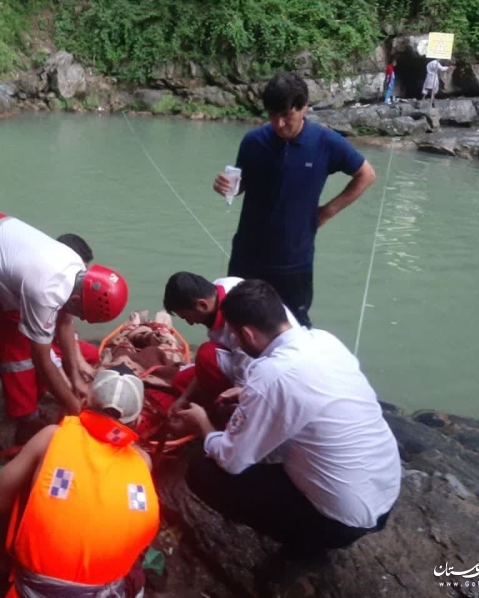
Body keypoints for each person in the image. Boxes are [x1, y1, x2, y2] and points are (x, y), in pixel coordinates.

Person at [175, 280, 401, 556]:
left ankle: (308, 542)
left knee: (202, 471)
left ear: (247, 333)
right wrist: (248, 393)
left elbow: (231, 461)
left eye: (235, 335)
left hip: (341, 520)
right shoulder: (324, 340)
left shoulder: (269, 376)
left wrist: (202, 424)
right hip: (386, 491)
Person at [0, 213, 129, 482]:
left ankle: (26, 419)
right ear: (77, 296)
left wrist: (75, 375)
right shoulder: (47, 288)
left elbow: (64, 321)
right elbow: (43, 361)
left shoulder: (77, 271)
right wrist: (77, 411)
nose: (83, 320)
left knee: (15, 346)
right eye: (85, 314)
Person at [213, 71, 376, 328]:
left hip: (293, 260)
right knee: (238, 323)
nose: (278, 124)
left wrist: (327, 212)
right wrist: (226, 186)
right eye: (272, 115)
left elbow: (366, 174)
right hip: (247, 254)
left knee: (295, 328)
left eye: (286, 115)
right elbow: (242, 184)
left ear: (303, 108)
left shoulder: (325, 142)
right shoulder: (253, 142)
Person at [0, 367, 159, 598]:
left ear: (84, 401)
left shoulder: (52, 437)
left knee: (25, 494)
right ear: (137, 421)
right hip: (108, 592)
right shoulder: (142, 463)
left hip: (33, 590)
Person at [0, 233, 101, 388]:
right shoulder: (37, 286)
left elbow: (66, 324)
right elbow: (43, 353)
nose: (79, 277)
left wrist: (78, 363)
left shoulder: (66, 285)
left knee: (91, 355)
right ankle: (31, 401)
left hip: (36, 341)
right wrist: (69, 387)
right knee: (43, 366)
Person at [163, 272, 300, 418]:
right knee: (181, 381)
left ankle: (217, 418)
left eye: (187, 317)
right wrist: (184, 397)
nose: (190, 323)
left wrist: (209, 418)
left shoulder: (240, 330)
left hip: (264, 373)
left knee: (207, 354)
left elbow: (243, 384)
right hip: (247, 361)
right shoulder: (222, 287)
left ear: (202, 304)